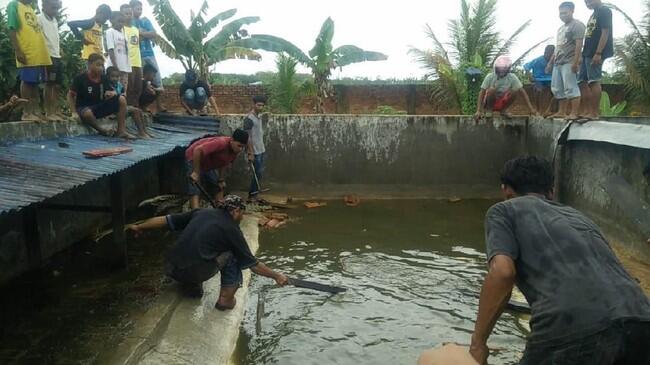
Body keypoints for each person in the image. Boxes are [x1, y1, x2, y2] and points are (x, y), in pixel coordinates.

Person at [469, 156, 650, 365]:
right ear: (551, 192)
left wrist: (478, 343)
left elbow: (502, 272)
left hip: (573, 327)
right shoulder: (580, 217)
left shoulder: (503, 211)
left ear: (506, 191)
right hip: (641, 320)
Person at [126, 195, 289, 309]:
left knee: (197, 248)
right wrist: (277, 276)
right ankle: (225, 300)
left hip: (170, 268)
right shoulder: (231, 230)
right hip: (193, 271)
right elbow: (253, 264)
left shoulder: (200, 213)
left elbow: (166, 220)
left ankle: (190, 283)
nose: (242, 217)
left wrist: (139, 227)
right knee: (234, 254)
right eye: (242, 213)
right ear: (235, 212)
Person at [67, 53, 134, 139]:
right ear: (89, 64)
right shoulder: (80, 78)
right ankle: (102, 131)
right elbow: (70, 95)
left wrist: (112, 94)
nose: (101, 68)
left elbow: (110, 91)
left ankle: (121, 131)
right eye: (98, 65)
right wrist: (74, 112)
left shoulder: (104, 78)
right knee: (87, 113)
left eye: (102, 65)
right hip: (84, 108)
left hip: (99, 106)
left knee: (121, 99)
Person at [7, 0, 52, 122]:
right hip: (27, 51)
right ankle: (27, 113)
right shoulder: (14, 5)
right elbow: (12, 29)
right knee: (27, 81)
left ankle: (35, 112)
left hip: (39, 53)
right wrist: (18, 50)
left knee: (35, 83)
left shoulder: (30, 8)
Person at [186, 129, 249, 209]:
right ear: (232, 140)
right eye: (239, 146)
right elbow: (197, 150)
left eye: (243, 147)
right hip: (194, 157)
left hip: (208, 163)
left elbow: (224, 163)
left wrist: (221, 179)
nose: (240, 149)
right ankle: (195, 211)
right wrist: (196, 172)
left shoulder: (235, 151)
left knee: (218, 186)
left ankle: (220, 208)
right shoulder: (221, 143)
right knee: (195, 184)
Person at [547, 2, 586, 121]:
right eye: (560, 13)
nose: (562, 15)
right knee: (557, 89)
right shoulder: (561, 28)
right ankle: (561, 111)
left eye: (565, 13)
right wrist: (550, 62)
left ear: (572, 11)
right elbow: (558, 47)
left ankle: (574, 113)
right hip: (558, 62)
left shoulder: (577, 25)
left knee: (571, 87)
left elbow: (579, 44)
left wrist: (575, 62)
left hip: (569, 61)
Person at [579, 0, 614, 120]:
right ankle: (588, 111)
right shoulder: (594, 14)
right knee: (581, 81)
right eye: (585, 2)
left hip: (595, 52)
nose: (587, 3)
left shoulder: (604, 11)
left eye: (589, 0)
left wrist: (598, 52)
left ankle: (594, 113)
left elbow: (605, 33)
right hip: (587, 52)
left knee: (594, 80)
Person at [474, 56, 537, 120]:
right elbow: (482, 92)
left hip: (503, 101)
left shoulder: (512, 77)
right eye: (500, 68)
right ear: (496, 67)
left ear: (508, 69)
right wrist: (478, 110)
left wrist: (531, 109)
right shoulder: (490, 76)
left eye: (504, 68)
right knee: (491, 90)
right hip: (490, 101)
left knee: (515, 91)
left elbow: (522, 92)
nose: (502, 70)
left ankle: (503, 110)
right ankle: (489, 110)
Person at [38, 0, 66, 122]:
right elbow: (39, 38)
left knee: (56, 85)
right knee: (49, 84)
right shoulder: (39, 19)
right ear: (44, 6)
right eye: (53, 8)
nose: (55, 11)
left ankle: (55, 111)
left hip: (56, 56)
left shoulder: (54, 20)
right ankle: (48, 112)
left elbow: (53, 37)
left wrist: (60, 49)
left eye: (57, 8)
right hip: (47, 56)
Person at [130, 0, 164, 95]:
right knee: (140, 79)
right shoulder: (129, 23)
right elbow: (133, 39)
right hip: (136, 55)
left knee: (156, 77)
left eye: (141, 9)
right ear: (131, 9)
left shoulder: (145, 20)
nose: (140, 11)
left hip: (149, 53)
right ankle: (141, 104)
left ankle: (159, 104)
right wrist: (146, 34)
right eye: (138, 9)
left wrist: (140, 33)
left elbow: (154, 34)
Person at [107, 66, 151, 138]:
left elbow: (123, 94)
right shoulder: (107, 85)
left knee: (138, 110)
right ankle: (141, 133)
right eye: (112, 76)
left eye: (117, 76)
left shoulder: (119, 85)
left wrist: (122, 95)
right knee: (135, 111)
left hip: (121, 106)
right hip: (114, 108)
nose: (115, 78)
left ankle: (143, 131)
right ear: (108, 76)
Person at [243, 96, 267, 203]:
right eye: (258, 105)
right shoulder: (249, 119)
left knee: (259, 173)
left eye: (262, 105)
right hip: (254, 151)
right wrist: (250, 152)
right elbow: (247, 137)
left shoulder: (259, 117)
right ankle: (252, 196)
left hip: (261, 149)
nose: (260, 107)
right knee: (257, 173)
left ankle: (255, 194)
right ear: (254, 104)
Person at [120, 3, 142, 108]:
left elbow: (137, 45)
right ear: (122, 15)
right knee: (130, 87)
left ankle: (136, 108)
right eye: (126, 13)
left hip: (138, 62)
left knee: (138, 87)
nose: (129, 15)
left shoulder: (135, 29)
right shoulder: (121, 29)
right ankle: (129, 109)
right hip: (128, 63)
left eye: (130, 13)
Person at [104, 11, 131, 95]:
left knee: (123, 90)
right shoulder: (110, 31)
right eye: (119, 21)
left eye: (123, 22)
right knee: (113, 89)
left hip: (124, 67)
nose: (121, 24)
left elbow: (126, 50)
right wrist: (115, 66)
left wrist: (128, 65)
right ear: (112, 20)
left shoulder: (123, 34)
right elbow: (110, 49)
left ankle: (123, 106)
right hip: (114, 67)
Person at [523, 45, 554, 113]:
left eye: (551, 54)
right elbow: (526, 66)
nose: (549, 55)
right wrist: (530, 75)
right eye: (547, 53)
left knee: (555, 91)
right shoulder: (538, 60)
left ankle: (551, 109)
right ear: (545, 52)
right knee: (539, 90)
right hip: (538, 79)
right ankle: (538, 109)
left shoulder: (554, 61)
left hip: (550, 79)